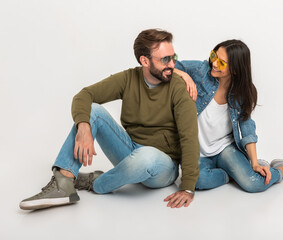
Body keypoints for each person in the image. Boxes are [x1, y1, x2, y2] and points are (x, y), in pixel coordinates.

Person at [19, 29, 200, 210]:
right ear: (144, 61)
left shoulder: (179, 89)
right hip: (130, 150)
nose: (172, 64)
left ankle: (95, 183)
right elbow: (84, 95)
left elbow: (189, 138)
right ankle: (63, 183)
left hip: (163, 166)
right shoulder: (129, 79)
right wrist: (83, 127)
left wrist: (188, 188)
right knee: (92, 110)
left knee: (147, 157)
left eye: (173, 57)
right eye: (165, 59)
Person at [174, 39, 283, 192]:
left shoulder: (241, 93)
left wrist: (255, 163)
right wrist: (185, 75)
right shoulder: (200, 71)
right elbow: (166, 67)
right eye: (214, 56)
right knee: (196, 181)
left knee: (254, 184)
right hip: (197, 152)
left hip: (224, 148)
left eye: (222, 63)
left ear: (235, 69)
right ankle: (232, 175)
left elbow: (247, 127)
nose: (214, 63)